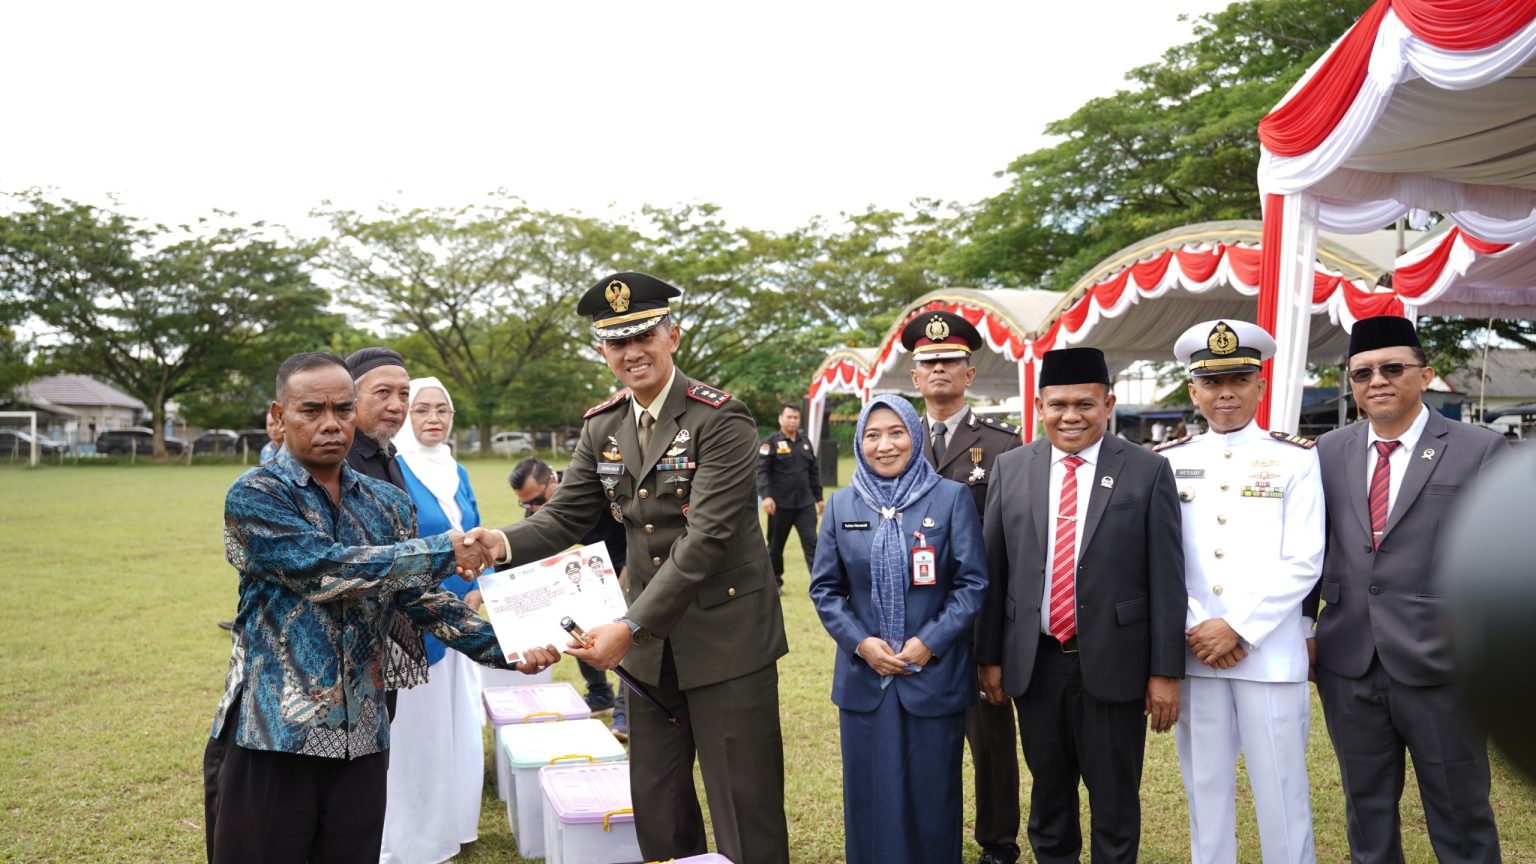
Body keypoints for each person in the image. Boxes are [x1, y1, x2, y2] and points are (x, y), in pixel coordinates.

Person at [471, 272, 790, 864]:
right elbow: (565, 517)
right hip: (649, 650)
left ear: (673, 335)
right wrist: (499, 543)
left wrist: (631, 626)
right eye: (618, 342)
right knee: (658, 801)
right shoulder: (603, 425)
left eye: (644, 335)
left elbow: (707, 538)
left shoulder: (722, 419)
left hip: (725, 638)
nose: (632, 352)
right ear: (602, 351)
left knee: (744, 804)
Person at [202, 351, 558, 864]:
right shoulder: (256, 495)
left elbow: (418, 599)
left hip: (363, 730)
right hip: (275, 733)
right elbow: (326, 570)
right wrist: (443, 550)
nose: (331, 424)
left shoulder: (386, 501)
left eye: (343, 409)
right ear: (278, 417)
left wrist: (508, 649)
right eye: (311, 410)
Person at [1305, 315, 1506, 864]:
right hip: (1348, 662)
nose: (1378, 381)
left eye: (1393, 368)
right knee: (1366, 813)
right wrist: (1303, 625)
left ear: (1426, 375)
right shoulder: (1325, 453)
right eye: (1363, 372)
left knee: (1460, 814)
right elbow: (1304, 548)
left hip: (1443, 664)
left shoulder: (1479, 450)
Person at [976, 346, 1185, 864]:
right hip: (1036, 661)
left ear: (1108, 404)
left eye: (1086, 404)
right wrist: (990, 657)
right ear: (1040, 406)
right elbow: (993, 569)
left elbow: (1167, 578)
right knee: (1049, 795)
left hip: (1114, 662)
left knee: (1114, 801)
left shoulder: (1147, 469)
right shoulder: (1010, 467)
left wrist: (1165, 672)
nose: (1071, 416)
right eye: (1059, 404)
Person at [1158, 320, 1324, 864]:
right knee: (1204, 793)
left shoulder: (1297, 459)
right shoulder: (1167, 461)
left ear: (1260, 385)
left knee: (1282, 793)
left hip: (1270, 653)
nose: (1224, 392)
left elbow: (1304, 561)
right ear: (1193, 390)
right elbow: (1160, 558)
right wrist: (1198, 624)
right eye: (1211, 382)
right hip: (1197, 652)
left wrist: (1239, 626)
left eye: (1238, 378)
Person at [808, 394, 988, 864]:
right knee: (870, 796)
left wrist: (929, 643)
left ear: (915, 434)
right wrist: (861, 644)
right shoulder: (842, 503)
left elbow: (972, 584)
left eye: (896, 432)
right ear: (858, 442)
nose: (884, 445)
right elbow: (825, 589)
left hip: (932, 677)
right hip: (866, 680)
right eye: (872, 435)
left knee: (933, 796)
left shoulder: (951, 498)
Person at [901, 309, 1025, 864]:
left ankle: (998, 843)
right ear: (914, 377)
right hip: (908, 621)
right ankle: (927, 836)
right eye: (929, 363)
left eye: (951, 360)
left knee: (991, 742)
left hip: (977, 622)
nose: (940, 370)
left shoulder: (1004, 446)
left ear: (970, 373)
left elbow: (1014, 547)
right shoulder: (891, 442)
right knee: (916, 740)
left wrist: (996, 639)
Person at [379, 376, 491, 864]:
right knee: (418, 737)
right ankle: (417, 840)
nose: (432, 419)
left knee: (457, 726)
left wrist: (477, 595)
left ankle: (455, 824)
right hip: (415, 626)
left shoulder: (456, 469)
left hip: (461, 624)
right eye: (421, 408)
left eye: (442, 409)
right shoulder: (392, 470)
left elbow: (475, 534)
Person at [509, 457, 628, 735]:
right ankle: (600, 694)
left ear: (553, 480)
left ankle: (625, 714)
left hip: (628, 555)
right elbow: (533, 557)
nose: (533, 509)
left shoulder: (593, 490)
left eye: (537, 500)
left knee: (625, 629)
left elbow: (634, 542)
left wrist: (621, 592)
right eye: (526, 505)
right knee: (571, 619)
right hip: (593, 564)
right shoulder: (537, 509)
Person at [344, 347, 418, 719]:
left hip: (383, 642)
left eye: (404, 394)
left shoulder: (388, 456)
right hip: (336, 655)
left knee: (375, 759)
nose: (397, 404)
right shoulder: (335, 459)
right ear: (350, 398)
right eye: (383, 392)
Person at [757, 402, 823, 592]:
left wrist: (819, 498)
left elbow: (813, 472)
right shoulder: (770, 444)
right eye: (789, 417)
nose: (793, 421)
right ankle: (775, 583)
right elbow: (762, 472)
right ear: (780, 419)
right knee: (775, 547)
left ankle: (820, 584)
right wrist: (766, 497)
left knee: (813, 543)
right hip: (779, 505)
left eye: (796, 417)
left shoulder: (806, 442)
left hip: (804, 504)